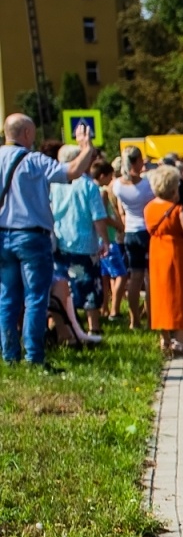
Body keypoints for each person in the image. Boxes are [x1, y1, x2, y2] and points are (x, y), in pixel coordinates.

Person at [1, 114, 97, 368]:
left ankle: (10, 356)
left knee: (8, 297)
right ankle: (34, 357)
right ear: (26, 134)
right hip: (32, 237)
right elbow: (73, 171)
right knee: (35, 297)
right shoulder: (34, 161)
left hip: (2, 236)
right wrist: (86, 148)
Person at [144, 165, 183, 357]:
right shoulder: (178, 210)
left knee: (161, 297)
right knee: (180, 298)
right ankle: (180, 341)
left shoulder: (149, 208)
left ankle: (164, 340)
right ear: (172, 188)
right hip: (178, 258)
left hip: (157, 257)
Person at [50, 143, 109, 341]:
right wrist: (105, 240)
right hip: (84, 244)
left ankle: (60, 328)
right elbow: (98, 217)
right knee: (88, 285)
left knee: (61, 285)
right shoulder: (88, 185)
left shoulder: (53, 185)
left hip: (59, 242)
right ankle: (93, 326)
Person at [111, 147, 156, 331]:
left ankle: (134, 320)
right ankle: (152, 320)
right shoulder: (145, 185)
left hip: (129, 232)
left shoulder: (118, 185)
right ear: (137, 161)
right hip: (145, 231)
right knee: (149, 278)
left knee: (135, 279)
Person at [92, 159, 127, 319]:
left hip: (96, 239)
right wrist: (118, 225)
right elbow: (103, 216)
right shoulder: (102, 192)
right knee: (121, 274)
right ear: (103, 175)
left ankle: (104, 309)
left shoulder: (91, 189)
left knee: (105, 277)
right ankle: (115, 310)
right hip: (108, 238)